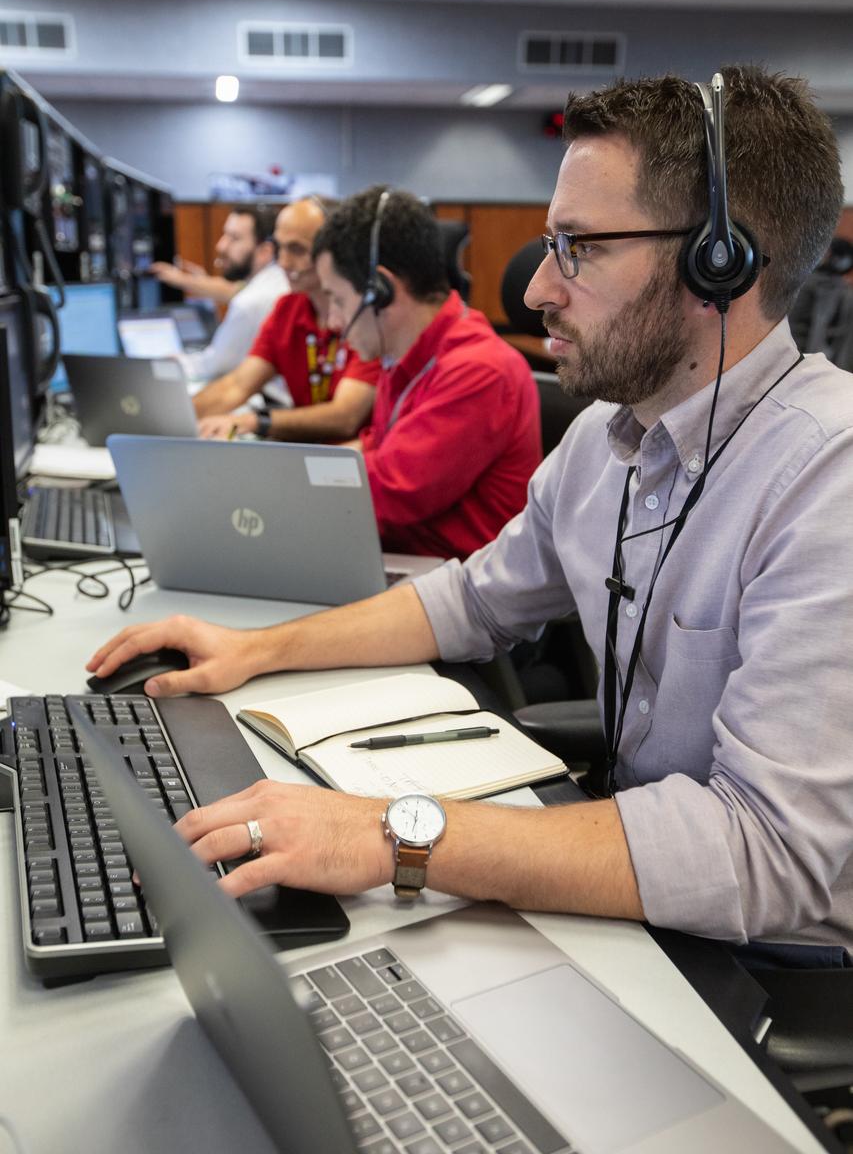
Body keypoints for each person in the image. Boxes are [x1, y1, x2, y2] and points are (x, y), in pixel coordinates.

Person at [89, 66, 853, 956]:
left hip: (768, 960)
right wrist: (256, 652)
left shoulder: (824, 477)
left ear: (718, 263)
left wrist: (387, 833)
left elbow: (764, 854)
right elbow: (471, 601)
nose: (534, 291)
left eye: (580, 247)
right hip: (642, 896)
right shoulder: (612, 439)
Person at [311, 186, 542, 558]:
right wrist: (293, 466)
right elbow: (377, 447)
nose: (333, 321)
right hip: (414, 567)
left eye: (337, 300)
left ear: (380, 290)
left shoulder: (481, 369)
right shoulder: (402, 355)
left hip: (466, 591)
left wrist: (294, 485)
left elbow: (390, 492)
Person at [193, 197, 380, 442]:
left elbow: (345, 416)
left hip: (354, 464)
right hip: (307, 457)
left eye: (297, 249)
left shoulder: (367, 316)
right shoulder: (288, 309)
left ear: (336, 253)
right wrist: (171, 422)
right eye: (280, 248)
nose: (283, 262)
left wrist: (258, 421)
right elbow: (237, 385)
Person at [155, 205, 290, 390]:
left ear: (264, 252)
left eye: (234, 238)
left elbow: (214, 367)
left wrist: (169, 362)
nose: (221, 245)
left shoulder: (252, 301)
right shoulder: (275, 281)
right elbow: (231, 290)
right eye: (224, 235)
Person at [788, 236, 853, 373]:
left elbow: (821, 330)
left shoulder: (836, 291)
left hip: (807, 363)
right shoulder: (806, 282)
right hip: (796, 356)